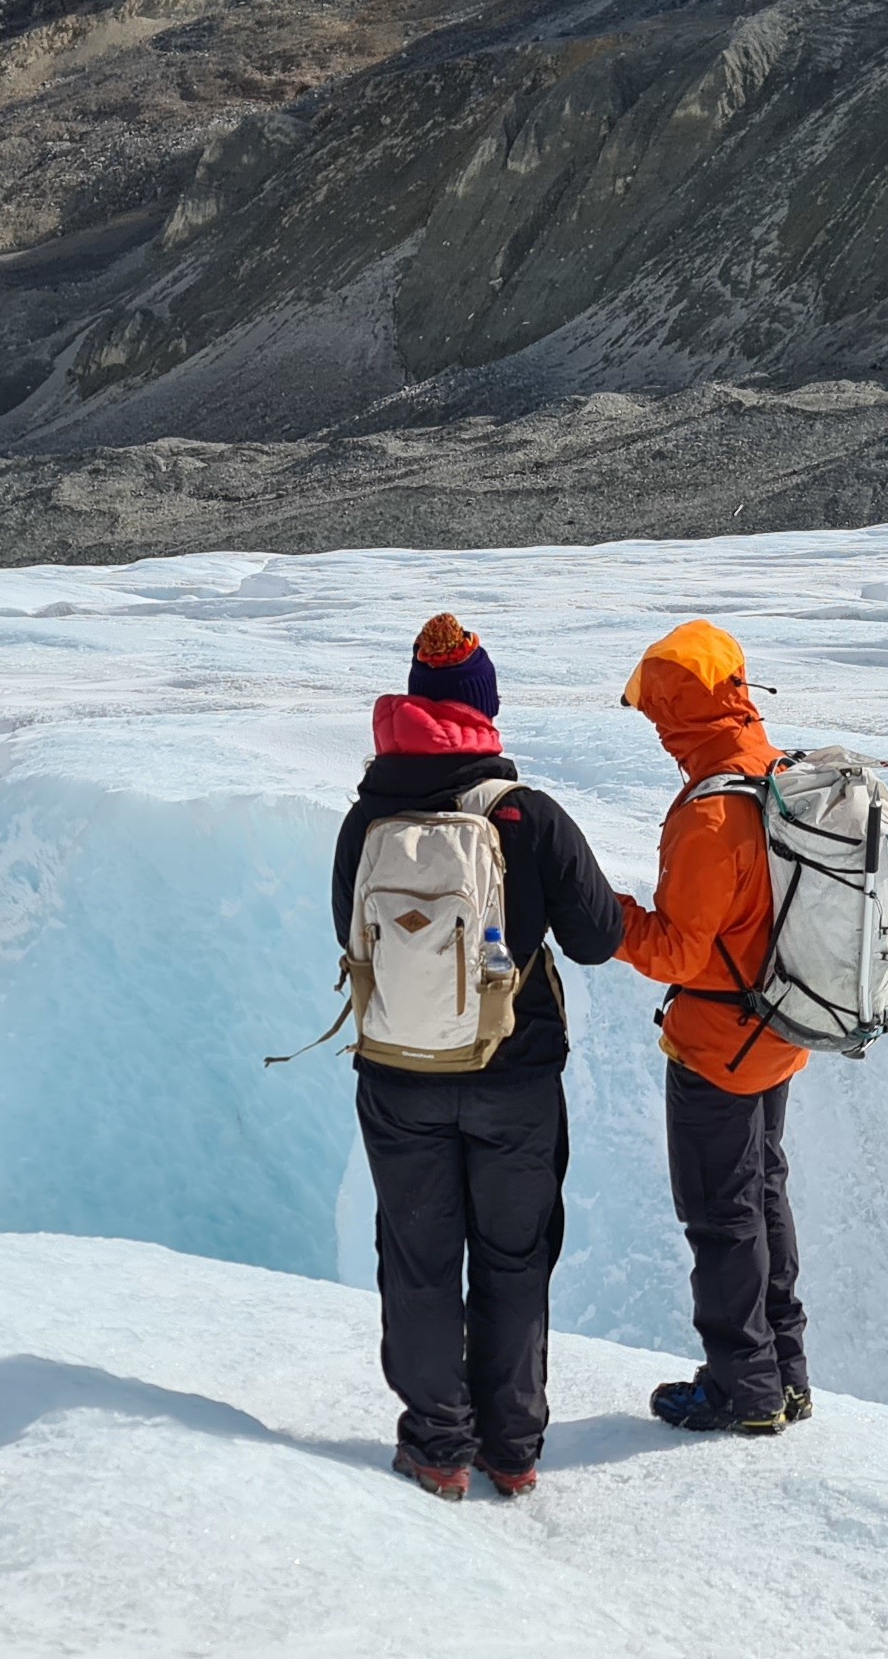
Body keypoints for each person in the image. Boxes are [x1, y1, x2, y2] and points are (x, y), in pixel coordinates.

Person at [332, 614, 621, 1501]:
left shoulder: (367, 817)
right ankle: (513, 1449)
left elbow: (349, 933)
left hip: (399, 1077)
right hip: (515, 1076)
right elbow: (600, 938)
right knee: (513, 1256)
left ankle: (436, 1446)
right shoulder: (527, 815)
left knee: (419, 1260)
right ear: (486, 710)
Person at [613, 619, 812, 1436]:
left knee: (721, 1214)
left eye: (659, 714)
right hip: (782, 1025)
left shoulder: (709, 815)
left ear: (679, 713)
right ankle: (784, 1373)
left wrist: (606, 913)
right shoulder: (779, 772)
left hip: (718, 1048)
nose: (657, 732)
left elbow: (679, 952)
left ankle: (743, 1388)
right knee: (763, 1194)